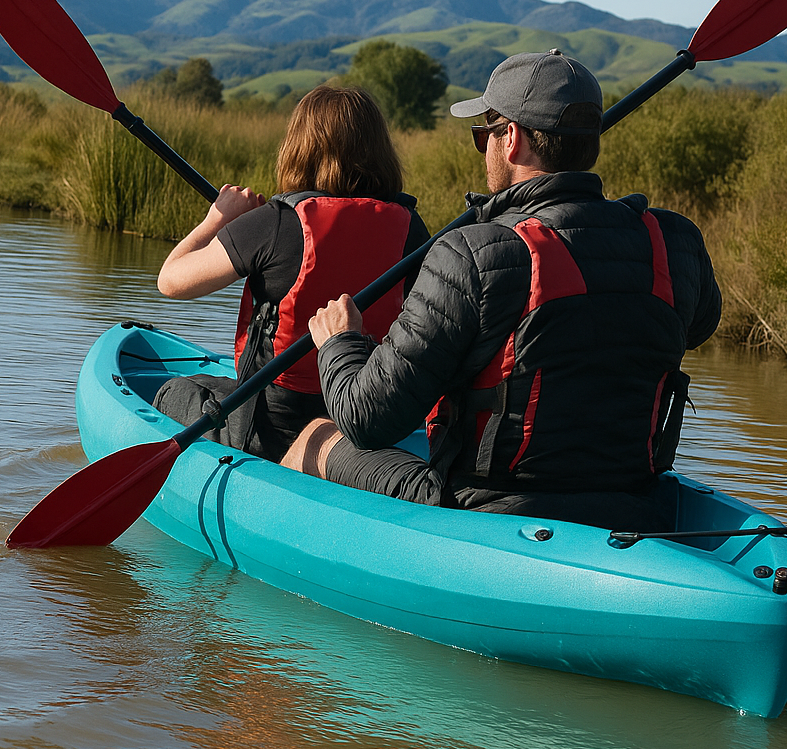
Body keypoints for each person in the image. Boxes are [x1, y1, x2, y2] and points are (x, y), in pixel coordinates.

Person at [281, 50, 720, 531]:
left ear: (510, 138)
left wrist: (340, 343)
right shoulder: (674, 242)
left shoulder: (470, 253)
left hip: (490, 511)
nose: (483, 145)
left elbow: (365, 419)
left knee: (318, 433)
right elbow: (698, 324)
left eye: (483, 133)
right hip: (637, 503)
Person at [153, 85, 430, 463]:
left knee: (172, 390)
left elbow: (170, 280)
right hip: (360, 417)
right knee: (206, 383)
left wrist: (217, 217)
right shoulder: (411, 228)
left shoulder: (276, 223)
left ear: (299, 147)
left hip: (269, 428)